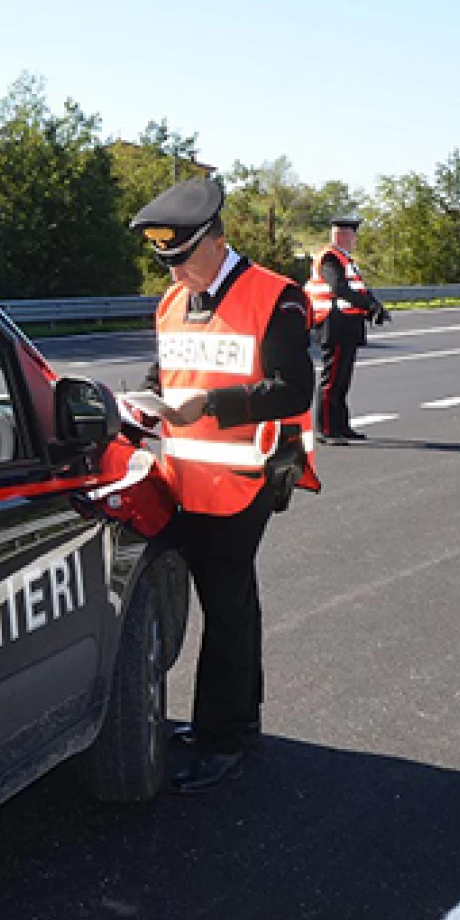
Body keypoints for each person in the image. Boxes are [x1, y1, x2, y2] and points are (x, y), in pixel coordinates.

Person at [131, 177, 316, 794]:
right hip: (182, 480)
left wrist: (207, 405)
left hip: (242, 479)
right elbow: (164, 369)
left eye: (183, 257)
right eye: (166, 261)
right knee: (235, 601)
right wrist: (143, 404)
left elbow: (294, 389)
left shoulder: (276, 296)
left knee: (223, 607)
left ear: (217, 240)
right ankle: (241, 720)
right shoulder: (171, 302)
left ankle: (221, 739)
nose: (175, 270)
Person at [304, 214, 390, 443]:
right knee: (332, 379)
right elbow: (339, 288)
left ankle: (341, 426)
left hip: (347, 324)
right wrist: (369, 306)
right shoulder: (330, 258)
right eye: (352, 235)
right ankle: (326, 430)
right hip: (334, 323)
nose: (355, 240)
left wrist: (375, 307)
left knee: (342, 379)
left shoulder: (345, 259)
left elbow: (357, 288)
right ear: (342, 235)